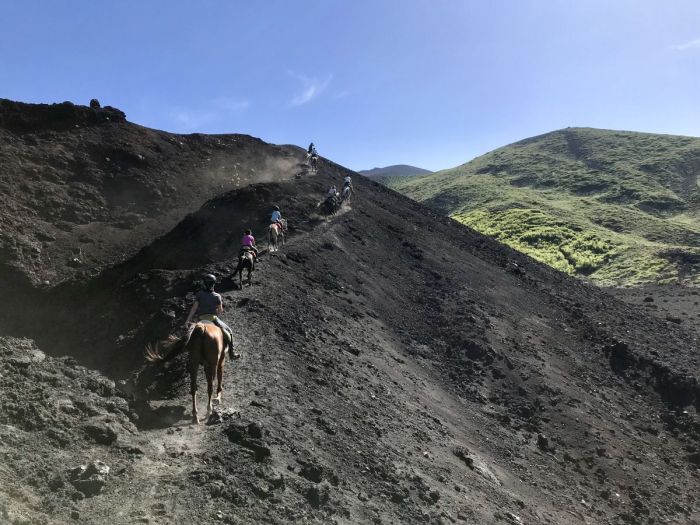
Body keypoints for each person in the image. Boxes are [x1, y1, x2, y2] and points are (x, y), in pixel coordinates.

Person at [184, 274, 237, 358]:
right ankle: (232, 352)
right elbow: (220, 311)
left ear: (204, 284)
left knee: (189, 336)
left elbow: (193, 309)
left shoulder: (199, 294)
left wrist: (187, 321)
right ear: (213, 284)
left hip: (201, 319)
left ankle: (188, 354)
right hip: (213, 319)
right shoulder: (217, 296)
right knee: (229, 332)